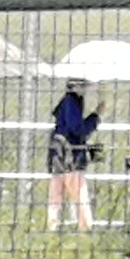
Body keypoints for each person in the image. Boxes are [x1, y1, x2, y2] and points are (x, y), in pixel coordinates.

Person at [43, 81, 102, 231]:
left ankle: (52, 227)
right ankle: (86, 228)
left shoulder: (69, 102)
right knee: (80, 193)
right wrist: (95, 117)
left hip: (58, 154)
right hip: (69, 156)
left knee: (56, 196)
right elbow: (77, 129)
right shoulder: (71, 102)